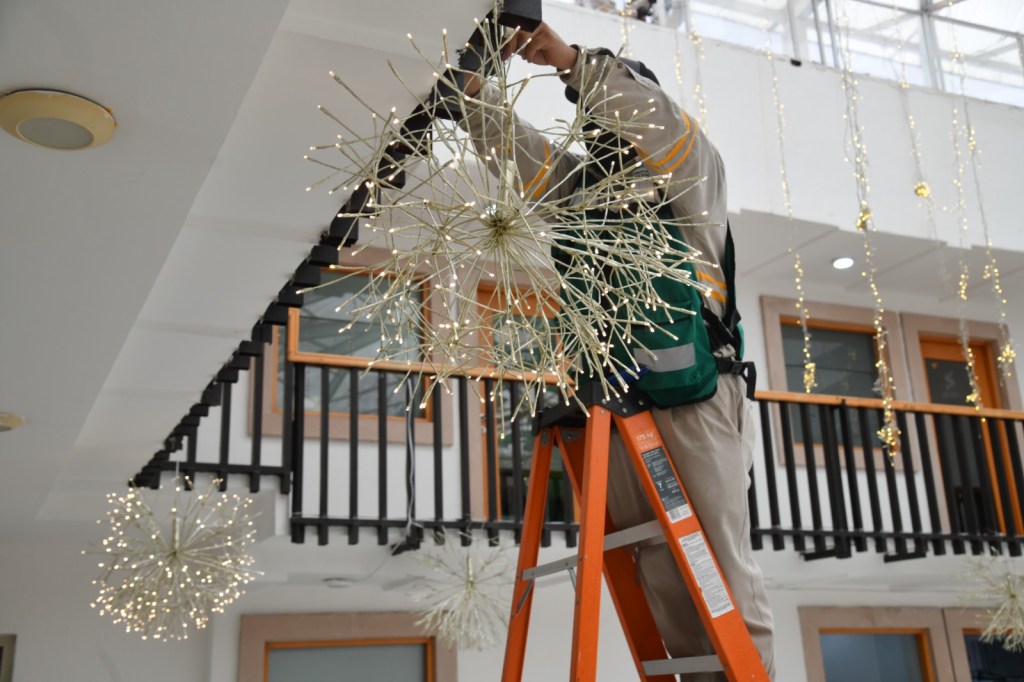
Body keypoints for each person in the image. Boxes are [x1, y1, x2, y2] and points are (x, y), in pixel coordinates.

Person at [459, 22, 775, 681]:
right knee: (655, 557)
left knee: (717, 559)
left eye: (613, 124)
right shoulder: (586, 196)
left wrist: (573, 64)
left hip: (697, 400)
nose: (607, 139)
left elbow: (655, 122)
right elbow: (524, 157)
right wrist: (472, 100)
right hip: (618, 404)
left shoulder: (690, 177)